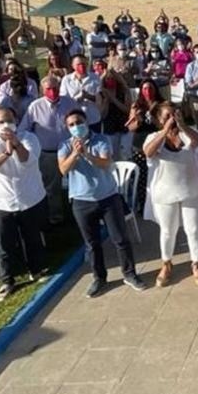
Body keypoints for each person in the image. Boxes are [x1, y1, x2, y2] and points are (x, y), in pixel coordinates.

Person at [60, 109, 146, 296]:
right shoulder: (65, 146)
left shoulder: (101, 140)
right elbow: (63, 169)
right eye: (71, 125)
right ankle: (99, 278)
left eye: (79, 122)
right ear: (67, 128)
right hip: (81, 201)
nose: (76, 127)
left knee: (121, 239)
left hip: (108, 197)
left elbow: (106, 163)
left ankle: (129, 273)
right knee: (92, 244)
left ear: (86, 122)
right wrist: (75, 153)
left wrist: (87, 154)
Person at [0, 108, 48, 301]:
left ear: (16, 121)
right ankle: (7, 280)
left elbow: (29, 160)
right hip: (1, 202)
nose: (5, 125)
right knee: (3, 243)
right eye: (1, 122)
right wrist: (5, 154)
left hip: (29, 198)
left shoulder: (29, 138)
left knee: (32, 237)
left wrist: (16, 145)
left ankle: (37, 269)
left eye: (9, 120)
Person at [144, 102, 198, 287]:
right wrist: (164, 132)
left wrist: (181, 125)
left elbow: (196, 142)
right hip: (164, 194)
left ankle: (197, 263)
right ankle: (166, 264)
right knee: (168, 231)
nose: (171, 119)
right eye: (166, 116)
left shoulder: (189, 134)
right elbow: (149, 152)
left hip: (192, 192)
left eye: (173, 115)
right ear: (159, 120)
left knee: (193, 230)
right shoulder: (154, 137)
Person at [20, 76, 79, 225]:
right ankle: (56, 217)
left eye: (55, 88)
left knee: (78, 181)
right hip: (48, 154)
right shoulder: (35, 107)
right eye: (48, 89)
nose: (53, 92)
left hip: (71, 151)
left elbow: (80, 120)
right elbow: (23, 129)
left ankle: (79, 213)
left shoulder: (69, 102)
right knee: (52, 187)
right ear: (42, 90)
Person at [61, 54, 104, 133]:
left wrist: (88, 96)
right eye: (78, 64)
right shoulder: (67, 80)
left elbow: (100, 99)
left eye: (84, 64)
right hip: (75, 121)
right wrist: (77, 98)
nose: (82, 66)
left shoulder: (95, 78)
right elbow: (63, 100)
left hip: (92, 118)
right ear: (73, 66)